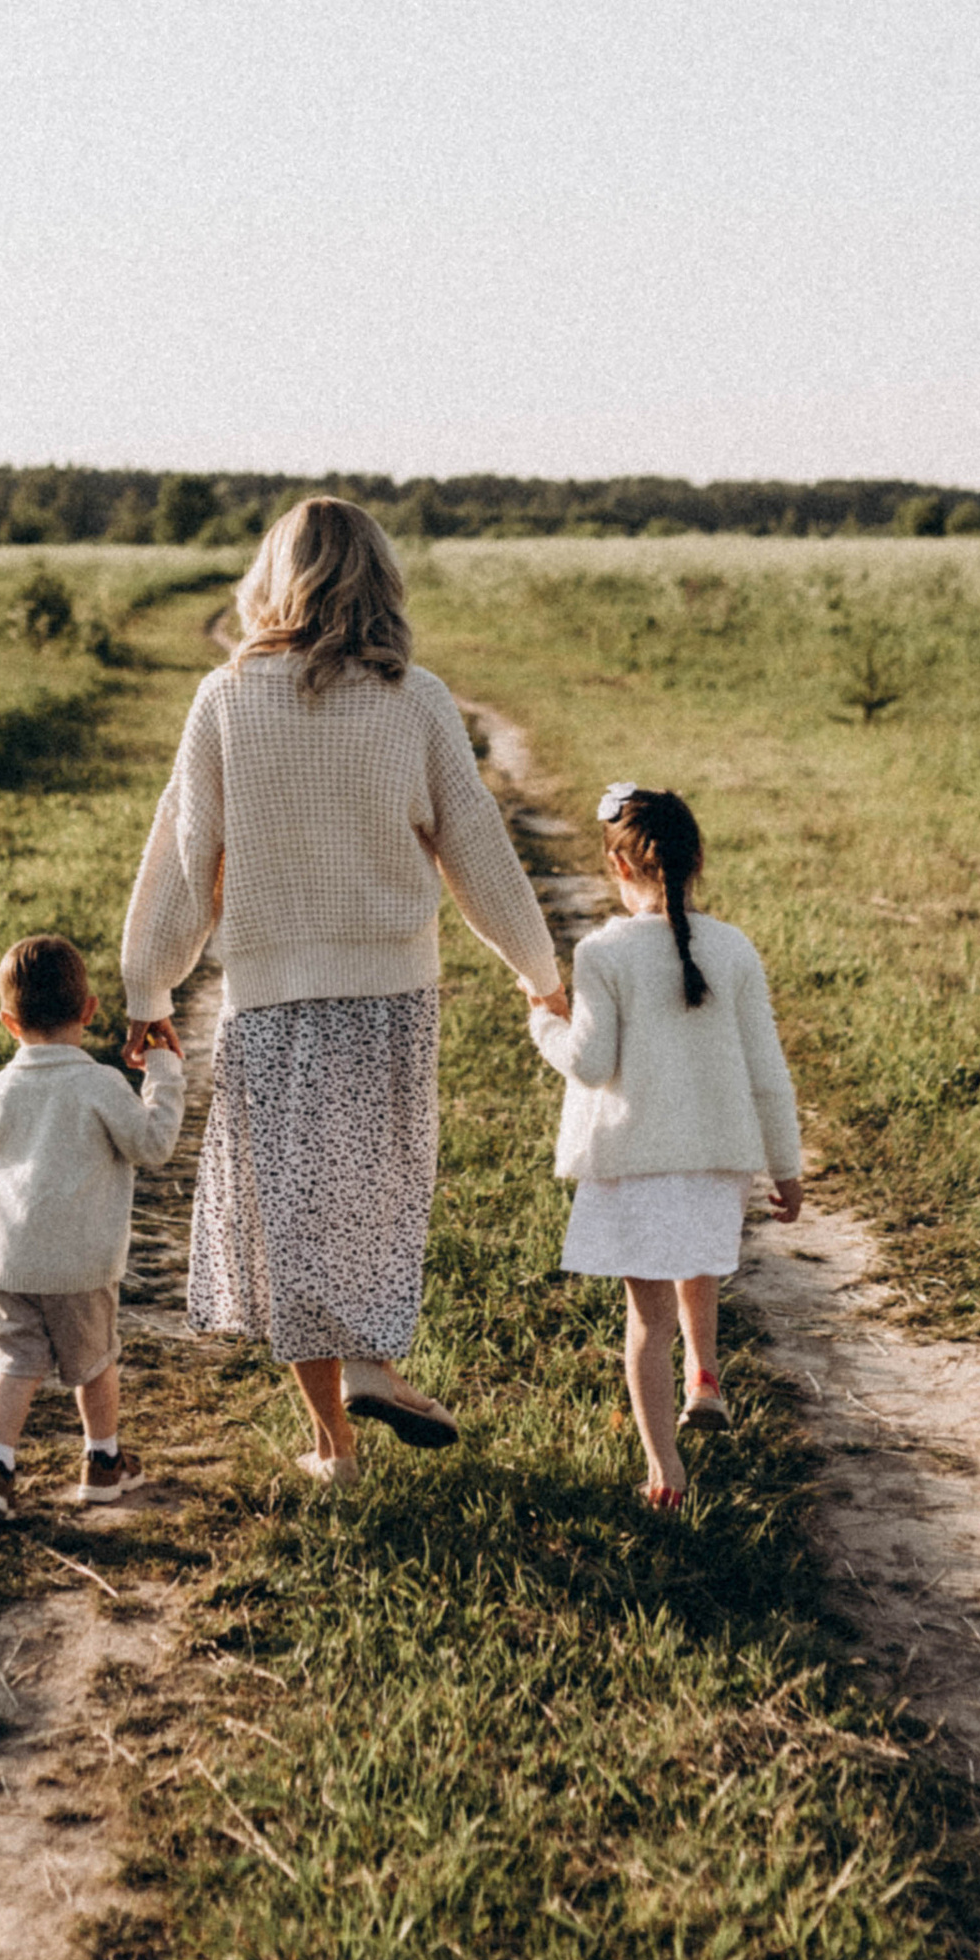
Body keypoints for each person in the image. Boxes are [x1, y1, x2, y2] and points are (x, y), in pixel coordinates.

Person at [121, 496, 566, 1485]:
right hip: (387, 999)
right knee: (369, 1202)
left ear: (270, 580)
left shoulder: (225, 699)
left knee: (288, 1220)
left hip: (270, 1000)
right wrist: (539, 970)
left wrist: (149, 984)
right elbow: (477, 847)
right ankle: (369, 1366)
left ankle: (335, 1443)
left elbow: (186, 854)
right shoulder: (415, 700)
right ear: (380, 583)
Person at [529, 783, 804, 1512]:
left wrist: (545, 1021)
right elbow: (768, 1072)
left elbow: (590, 1064)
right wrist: (787, 1168)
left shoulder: (603, 952)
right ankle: (704, 1377)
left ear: (619, 867)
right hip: (718, 1163)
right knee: (698, 1263)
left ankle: (664, 1472)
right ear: (696, 862)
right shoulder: (733, 947)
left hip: (635, 1162)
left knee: (648, 1322)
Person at [0, 932, 185, 1524]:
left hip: (7, 1261)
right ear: (89, 1011)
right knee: (93, 1362)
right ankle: (102, 1462)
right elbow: (153, 1145)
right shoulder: (99, 1085)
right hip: (80, 1264)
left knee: (13, 1362)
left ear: (9, 1023)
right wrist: (162, 1071)